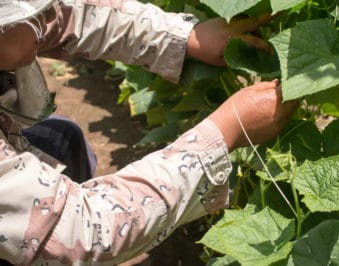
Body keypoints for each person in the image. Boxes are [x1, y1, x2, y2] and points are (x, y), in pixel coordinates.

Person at [0, 0, 297, 265]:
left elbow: (68, 16)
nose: (46, 17)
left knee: (63, 140)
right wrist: (225, 132)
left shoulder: (18, 28)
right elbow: (80, 231)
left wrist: (184, 38)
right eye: (34, 11)